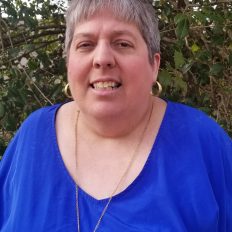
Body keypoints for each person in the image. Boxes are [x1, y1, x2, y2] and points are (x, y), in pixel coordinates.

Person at [0, 0, 231, 231]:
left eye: (122, 43)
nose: (102, 58)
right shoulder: (32, 137)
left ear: (154, 65)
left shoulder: (204, 143)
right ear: (68, 62)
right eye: (86, 44)